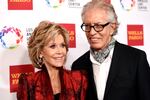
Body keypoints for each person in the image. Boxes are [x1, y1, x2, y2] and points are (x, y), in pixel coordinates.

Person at [71, 1, 150, 100]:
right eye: (87, 26)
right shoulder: (78, 65)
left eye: (98, 26)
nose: (91, 32)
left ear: (112, 27)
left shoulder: (136, 59)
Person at [17, 20, 87, 100]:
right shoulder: (28, 82)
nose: (60, 51)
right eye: (53, 46)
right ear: (40, 52)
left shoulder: (78, 79)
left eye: (62, 45)